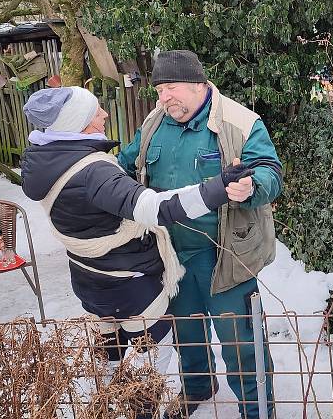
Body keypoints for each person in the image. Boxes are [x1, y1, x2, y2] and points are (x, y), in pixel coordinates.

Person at [21, 86, 254, 418]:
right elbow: (156, 208)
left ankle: (104, 408)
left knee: (109, 358)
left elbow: (108, 199)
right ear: (79, 123)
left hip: (91, 279)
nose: (104, 115)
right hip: (131, 288)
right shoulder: (92, 172)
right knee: (148, 365)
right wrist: (218, 187)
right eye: (95, 112)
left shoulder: (44, 160)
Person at [118, 50, 282, 419]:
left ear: (197, 84)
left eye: (171, 88)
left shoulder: (240, 122)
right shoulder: (154, 124)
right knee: (186, 332)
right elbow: (123, 167)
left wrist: (252, 186)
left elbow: (271, 173)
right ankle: (197, 387)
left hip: (225, 253)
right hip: (171, 254)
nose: (163, 98)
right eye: (159, 90)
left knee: (240, 341)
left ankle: (257, 409)